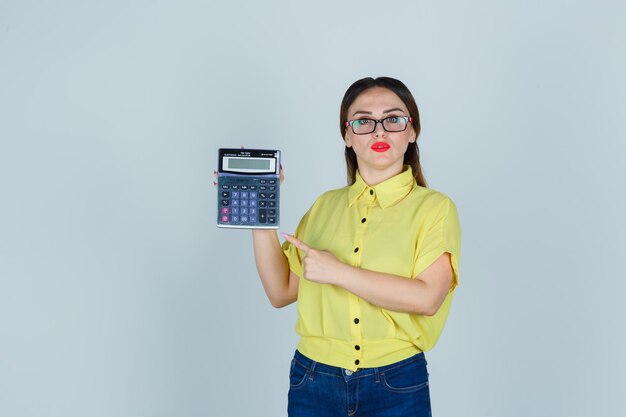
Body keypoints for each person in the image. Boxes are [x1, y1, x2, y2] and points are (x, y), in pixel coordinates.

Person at [252, 76, 461, 416]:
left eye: (393, 119)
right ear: (348, 135)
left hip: (395, 382)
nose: (379, 132)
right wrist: (261, 217)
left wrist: (338, 272)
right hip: (313, 379)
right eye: (364, 121)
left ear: (412, 131)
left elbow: (427, 298)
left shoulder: (435, 208)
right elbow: (280, 292)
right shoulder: (325, 205)